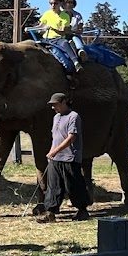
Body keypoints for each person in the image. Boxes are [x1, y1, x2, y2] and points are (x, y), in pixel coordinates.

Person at [38, 92, 92, 222]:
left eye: (55, 104)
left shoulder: (74, 116)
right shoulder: (56, 117)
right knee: (53, 186)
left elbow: (71, 137)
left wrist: (55, 151)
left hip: (70, 157)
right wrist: (51, 152)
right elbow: (55, 137)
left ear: (63, 102)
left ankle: (82, 210)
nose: (53, 107)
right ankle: (50, 212)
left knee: (73, 185)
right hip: (55, 158)